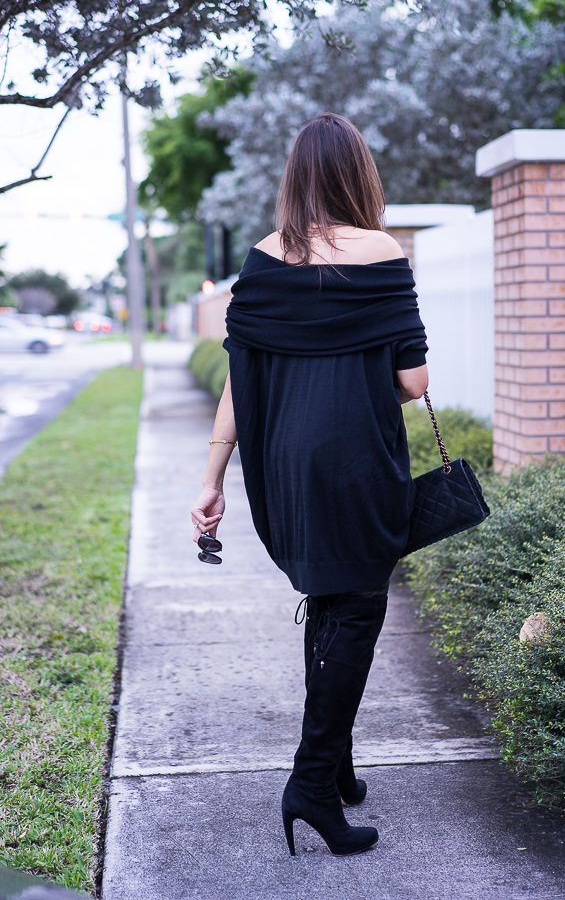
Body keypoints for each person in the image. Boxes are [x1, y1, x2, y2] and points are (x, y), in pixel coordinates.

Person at [190, 113, 428, 857]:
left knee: (326, 597)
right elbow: (413, 382)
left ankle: (336, 763)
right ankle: (311, 784)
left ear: (294, 178)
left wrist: (212, 478)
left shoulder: (263, 261)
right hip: (356, 458)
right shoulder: (381, 252)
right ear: (359, 175)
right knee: (357, 607)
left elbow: (240, 378)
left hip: (283, 462)